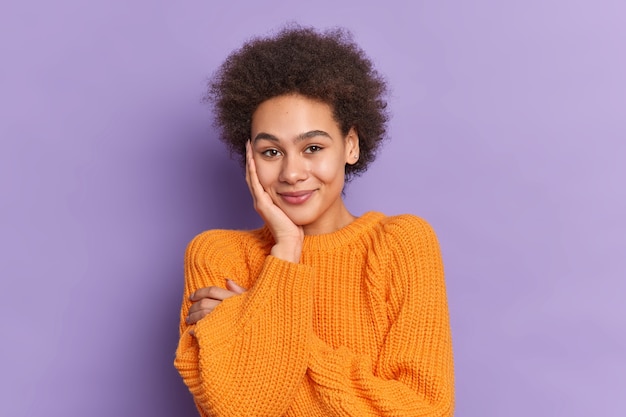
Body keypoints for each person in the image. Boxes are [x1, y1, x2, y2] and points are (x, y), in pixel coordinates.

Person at [174, 26, 454, 417]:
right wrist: (286, 247)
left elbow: (423, 411)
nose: (292, 172)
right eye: (271, 151)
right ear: (250, 159)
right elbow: (238, 409)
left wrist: (261, 323)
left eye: (313, 148)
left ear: (350, 146)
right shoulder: (218, 255)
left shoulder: (400, 244)